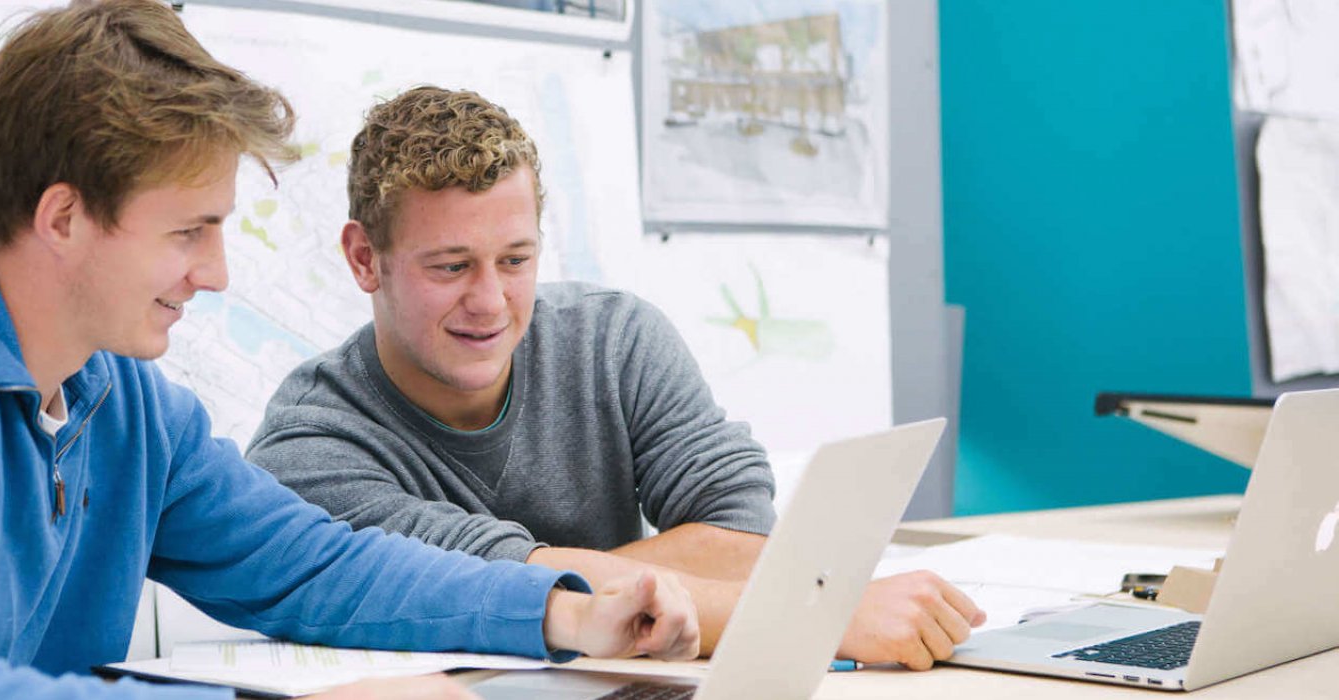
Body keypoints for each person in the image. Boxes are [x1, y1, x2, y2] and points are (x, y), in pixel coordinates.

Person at [0, 3, 701, 698]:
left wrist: (561, 614)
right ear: (64, 217)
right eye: (189, 231)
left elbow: (313, 568)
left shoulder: (118, 401)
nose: (217, 272)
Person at [245, 85, 986, 666]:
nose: (490, 301)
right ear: (363, 258)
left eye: (515, 260)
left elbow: (741, 531)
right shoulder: (311, 445)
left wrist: (569, 585)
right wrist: (820, 615)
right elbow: (490, 590)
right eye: (450, 266)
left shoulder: (614, 339)